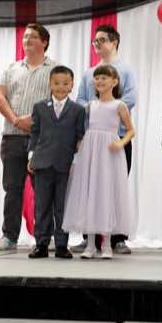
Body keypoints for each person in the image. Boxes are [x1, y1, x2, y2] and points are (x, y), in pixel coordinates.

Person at [72, 24, 138, 255]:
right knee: (90, 186)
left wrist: (109, 106)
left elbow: (130, 98)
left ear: (114, 42)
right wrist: (93, 107)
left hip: (116, 138)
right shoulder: (88, 73)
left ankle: (117, 238)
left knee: (114, 186)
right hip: (91, 140)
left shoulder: (126, 70)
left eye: (101, 40)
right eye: (95, 41)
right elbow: (80, 99)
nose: (97, 44)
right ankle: (88, 237)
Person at [0, 23, 56, 251]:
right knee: (12, 189)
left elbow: (59, 100)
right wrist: (16, 119)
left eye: (33, 37)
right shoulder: (11, 68)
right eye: (25, 36)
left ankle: (45, 237)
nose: (27, 40)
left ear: (44, 42)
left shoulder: (55, 69)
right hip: (12, 137)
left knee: (43, 190)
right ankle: (9, 236)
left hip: (42, 140)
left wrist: (35, 121)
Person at [62, 65, 135, 259]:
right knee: (91, 192)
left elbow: (130, 130)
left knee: (107, 193)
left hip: (109, 152)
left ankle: (107, 245)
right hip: (91, 151)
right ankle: (91, 245)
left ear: (114, 82)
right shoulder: (90, 106)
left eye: (104, 78)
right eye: (97, 78)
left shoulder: (119, 105)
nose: (100, 81)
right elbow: (78, 125)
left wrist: (121, 143)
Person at [26, 66, 87, 259]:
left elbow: (80, 136)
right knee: (42, 205)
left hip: (65, 165)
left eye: (65, 83)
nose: (61, 87)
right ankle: (41, 244)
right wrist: (31, 156)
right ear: (50, 84)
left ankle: (61, 245)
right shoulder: (39, 107)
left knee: (62, 206)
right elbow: (35, 133)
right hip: (42, 163)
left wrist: (76, 161)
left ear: (71, 86)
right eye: (57, 83)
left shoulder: (78, 110)